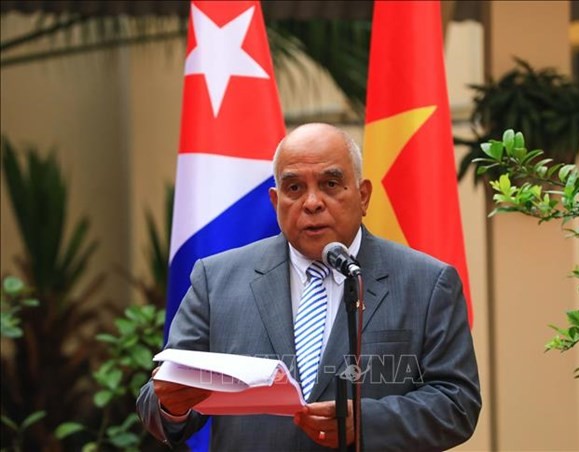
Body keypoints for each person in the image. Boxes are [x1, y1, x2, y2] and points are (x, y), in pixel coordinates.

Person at [137, 123, 481, 451]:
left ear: (363, 196)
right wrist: (171, 405)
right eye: (294, 188)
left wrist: (364, 423)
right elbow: (161, 401)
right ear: (276, 202)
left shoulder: (427, 282)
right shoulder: (216, 280)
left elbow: (457, 404)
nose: (312, 202)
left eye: (331, 184)